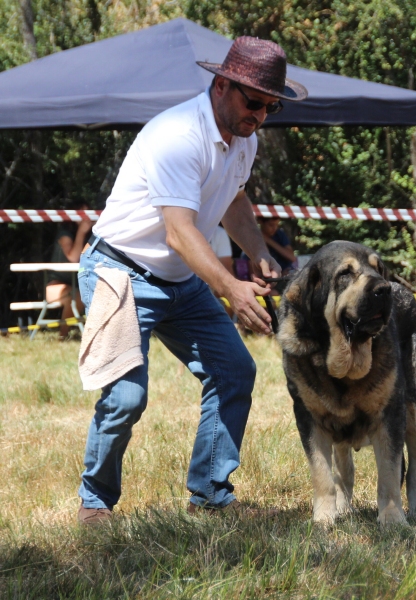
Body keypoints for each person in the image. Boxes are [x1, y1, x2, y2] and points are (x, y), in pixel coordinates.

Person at [76, 36, 308, 524]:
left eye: (271, 107)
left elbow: (234, 200)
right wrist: (231, 286)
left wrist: (259, 253)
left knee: (235, 373)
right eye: (255, 102)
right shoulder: (178, 135)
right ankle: (95, 502)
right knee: (125, 397)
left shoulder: (245, 137)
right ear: (222, 85)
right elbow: (180, 233)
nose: (262, 115)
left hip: (180, 281)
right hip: (120, 270)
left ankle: (210, 495)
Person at [46, 205, 93, 339]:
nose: (86, 217)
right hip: (55, 286)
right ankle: (63, 334)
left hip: (80, 284)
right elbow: (73, 257)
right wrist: (81, 232)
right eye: (82, 213)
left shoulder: (92, 236)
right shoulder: (64, 234)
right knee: (77, 296)